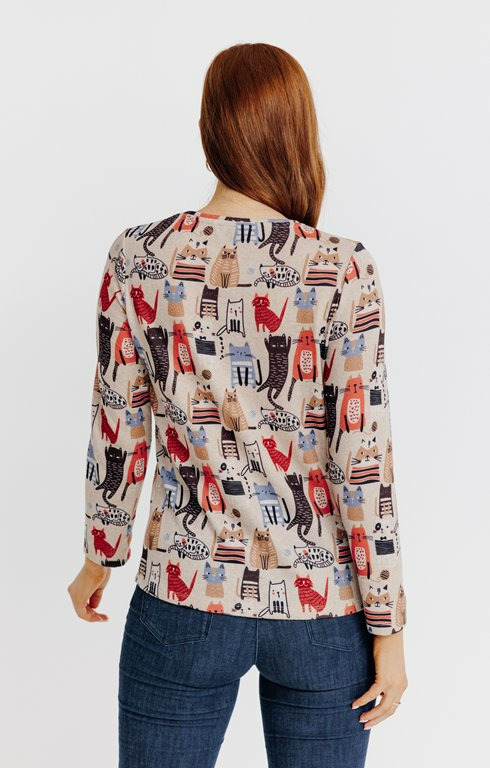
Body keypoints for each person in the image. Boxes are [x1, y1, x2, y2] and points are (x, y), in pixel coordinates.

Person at [68, 42, 408, 768]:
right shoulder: (342, 268)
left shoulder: (139, 257)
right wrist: (389, 630)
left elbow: (117, 424)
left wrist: (101, 554)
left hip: (184, 597)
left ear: (209, 129)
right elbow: (363, 461)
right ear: (297, 130)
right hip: (322, 606)